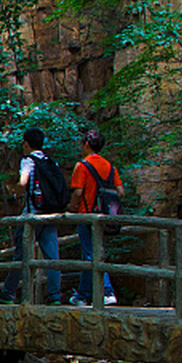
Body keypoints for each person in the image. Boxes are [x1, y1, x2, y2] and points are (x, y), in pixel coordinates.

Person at [0, 126, 64, 303]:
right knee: (52, 256)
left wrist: (16, 190)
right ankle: (55, 296)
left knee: (21, 254)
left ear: (26, 144)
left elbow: (23, 181)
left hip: (32, 216)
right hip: (50, 214)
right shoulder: (51, 162)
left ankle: (9, 292)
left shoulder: (28, 161)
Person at [67, 126, 122, 305]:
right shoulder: (109, 166)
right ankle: (82, 296)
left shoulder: (82, 166)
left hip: (87, 215)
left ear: (87, 144)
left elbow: (78, 192)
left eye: (82, 144)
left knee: (92, 254)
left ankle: (107, 292)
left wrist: (72, 207)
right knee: (89, 253)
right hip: (105, 217)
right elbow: (120, 191)